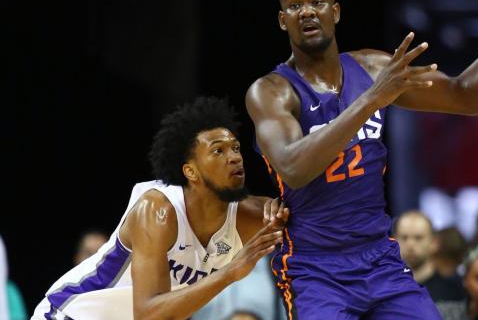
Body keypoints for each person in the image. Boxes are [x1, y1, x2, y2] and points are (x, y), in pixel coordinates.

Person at [246, 0, 478, 319]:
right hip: (316, 268)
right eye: (294, 5)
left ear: (335, 12)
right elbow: (293, 167)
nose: (306, 12)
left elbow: (469, 96)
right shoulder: (271, 92)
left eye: (316, 2)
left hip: (379, 257)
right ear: (282, 19)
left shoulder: (373, 68)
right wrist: (370, 101)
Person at [32, 96, 288, 320]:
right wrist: (231, 272)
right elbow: (148, 313)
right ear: (190, 171)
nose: (234, 156)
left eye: (235, 147)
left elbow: (311, 222)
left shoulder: (251, 215)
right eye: (218, 150)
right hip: (70, 314)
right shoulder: (157, 209)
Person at [394, 211, 465, 301]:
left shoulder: (453, 292)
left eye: (418, 238)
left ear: (434, 242)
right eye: (404, 237)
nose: (410, 245)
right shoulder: (382, 289)